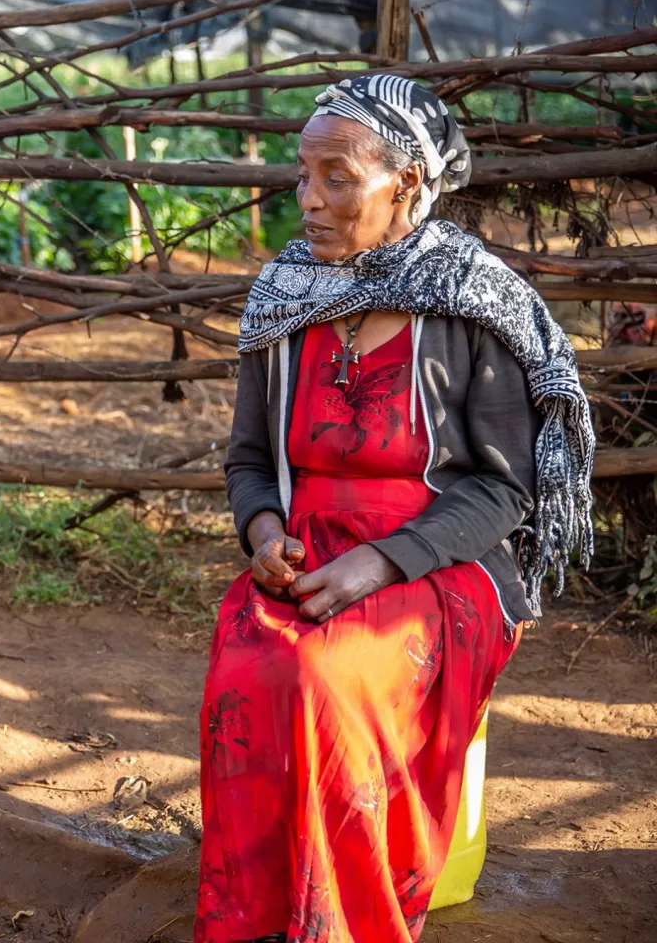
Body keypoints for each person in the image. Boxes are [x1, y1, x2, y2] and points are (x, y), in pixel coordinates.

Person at [198, 74, 595, 942]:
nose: (310, 200)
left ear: (405, 184)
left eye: (337, 178)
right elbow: (250, 459)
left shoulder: (472, 300)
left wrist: (382, 562)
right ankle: (259, 913)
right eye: (304, 176)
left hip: (443, 560)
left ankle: (344, 920)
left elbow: (505, 488)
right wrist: (264, 531)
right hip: (308, 554)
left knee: (327, 680)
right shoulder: (285, 298)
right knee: (244, 674)